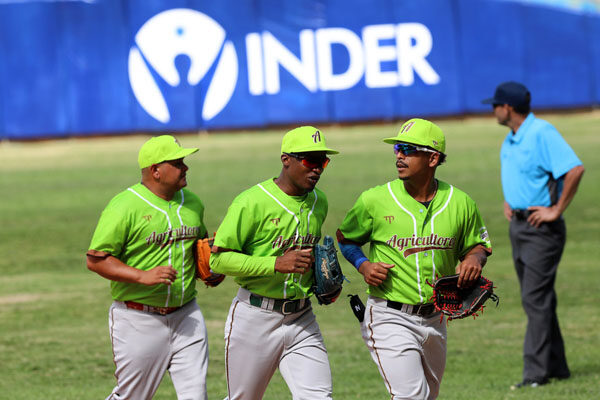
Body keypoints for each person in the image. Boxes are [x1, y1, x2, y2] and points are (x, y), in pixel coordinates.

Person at [337, 118, 492, 399]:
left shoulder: (460, 202)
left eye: (408, 149)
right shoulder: (374, 200)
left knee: (428, 396)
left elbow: (478, 245)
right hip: (388, 315)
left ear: (433, 158)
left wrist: (474, 259)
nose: (399, 155)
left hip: (436, 319)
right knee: (410, 396)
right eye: (397, 148)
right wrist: (364, 265)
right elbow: (346, 239)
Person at [210, 126, 338, 400]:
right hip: (254, 318)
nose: (317, 169)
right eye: (309, 160)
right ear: (286, 160)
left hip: (302, 318)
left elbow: (309, 258)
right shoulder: (251, 202)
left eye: (322, 161)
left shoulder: (319, 202)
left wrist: (322, 282)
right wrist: (275, 264)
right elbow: (218, 260)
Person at [86, 135, 215, 400]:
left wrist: (212, 267)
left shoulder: (192, 203)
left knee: (195, 395)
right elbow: (96, 259)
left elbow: (200, 248)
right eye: (177, 163)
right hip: (137, 319)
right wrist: (142, 276)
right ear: (155, 170)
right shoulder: (124, 206)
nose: (185, 167)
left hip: (187, 315)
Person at [482, 81, 585, 389]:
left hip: (542, 229)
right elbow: (522, 174)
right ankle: (558, 367)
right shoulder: (512, 139)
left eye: (495, 105)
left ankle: (535, 375)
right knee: (540, 299)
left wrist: (556, 209)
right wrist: (510, 200)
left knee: (534, 298)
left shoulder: (542, 132)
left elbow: (574, 169)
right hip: (519, 226)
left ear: (508, 108)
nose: (493, 110)